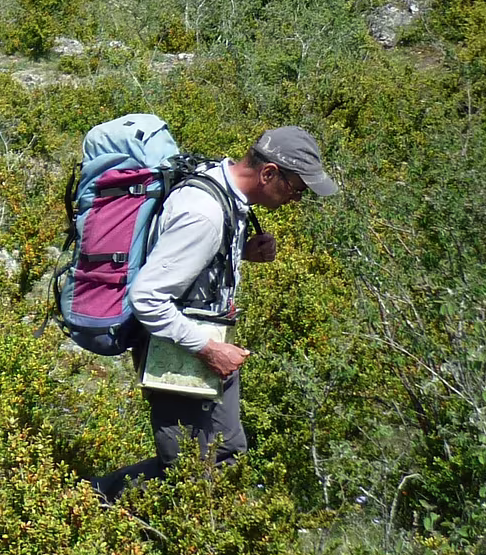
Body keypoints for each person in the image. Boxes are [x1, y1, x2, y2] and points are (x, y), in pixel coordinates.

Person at [92, 126, 337, 503]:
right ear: (268, 173)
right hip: (178, 352)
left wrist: (240, 251)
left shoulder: (222, 187)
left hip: (203, 343)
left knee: (223, 454)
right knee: (189, 469)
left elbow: (183, 254)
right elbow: (148, 298)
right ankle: (94, 500)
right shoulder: (204, 213)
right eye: (296, 188)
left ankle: (107, 503)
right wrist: (209, 350)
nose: (296, 199)